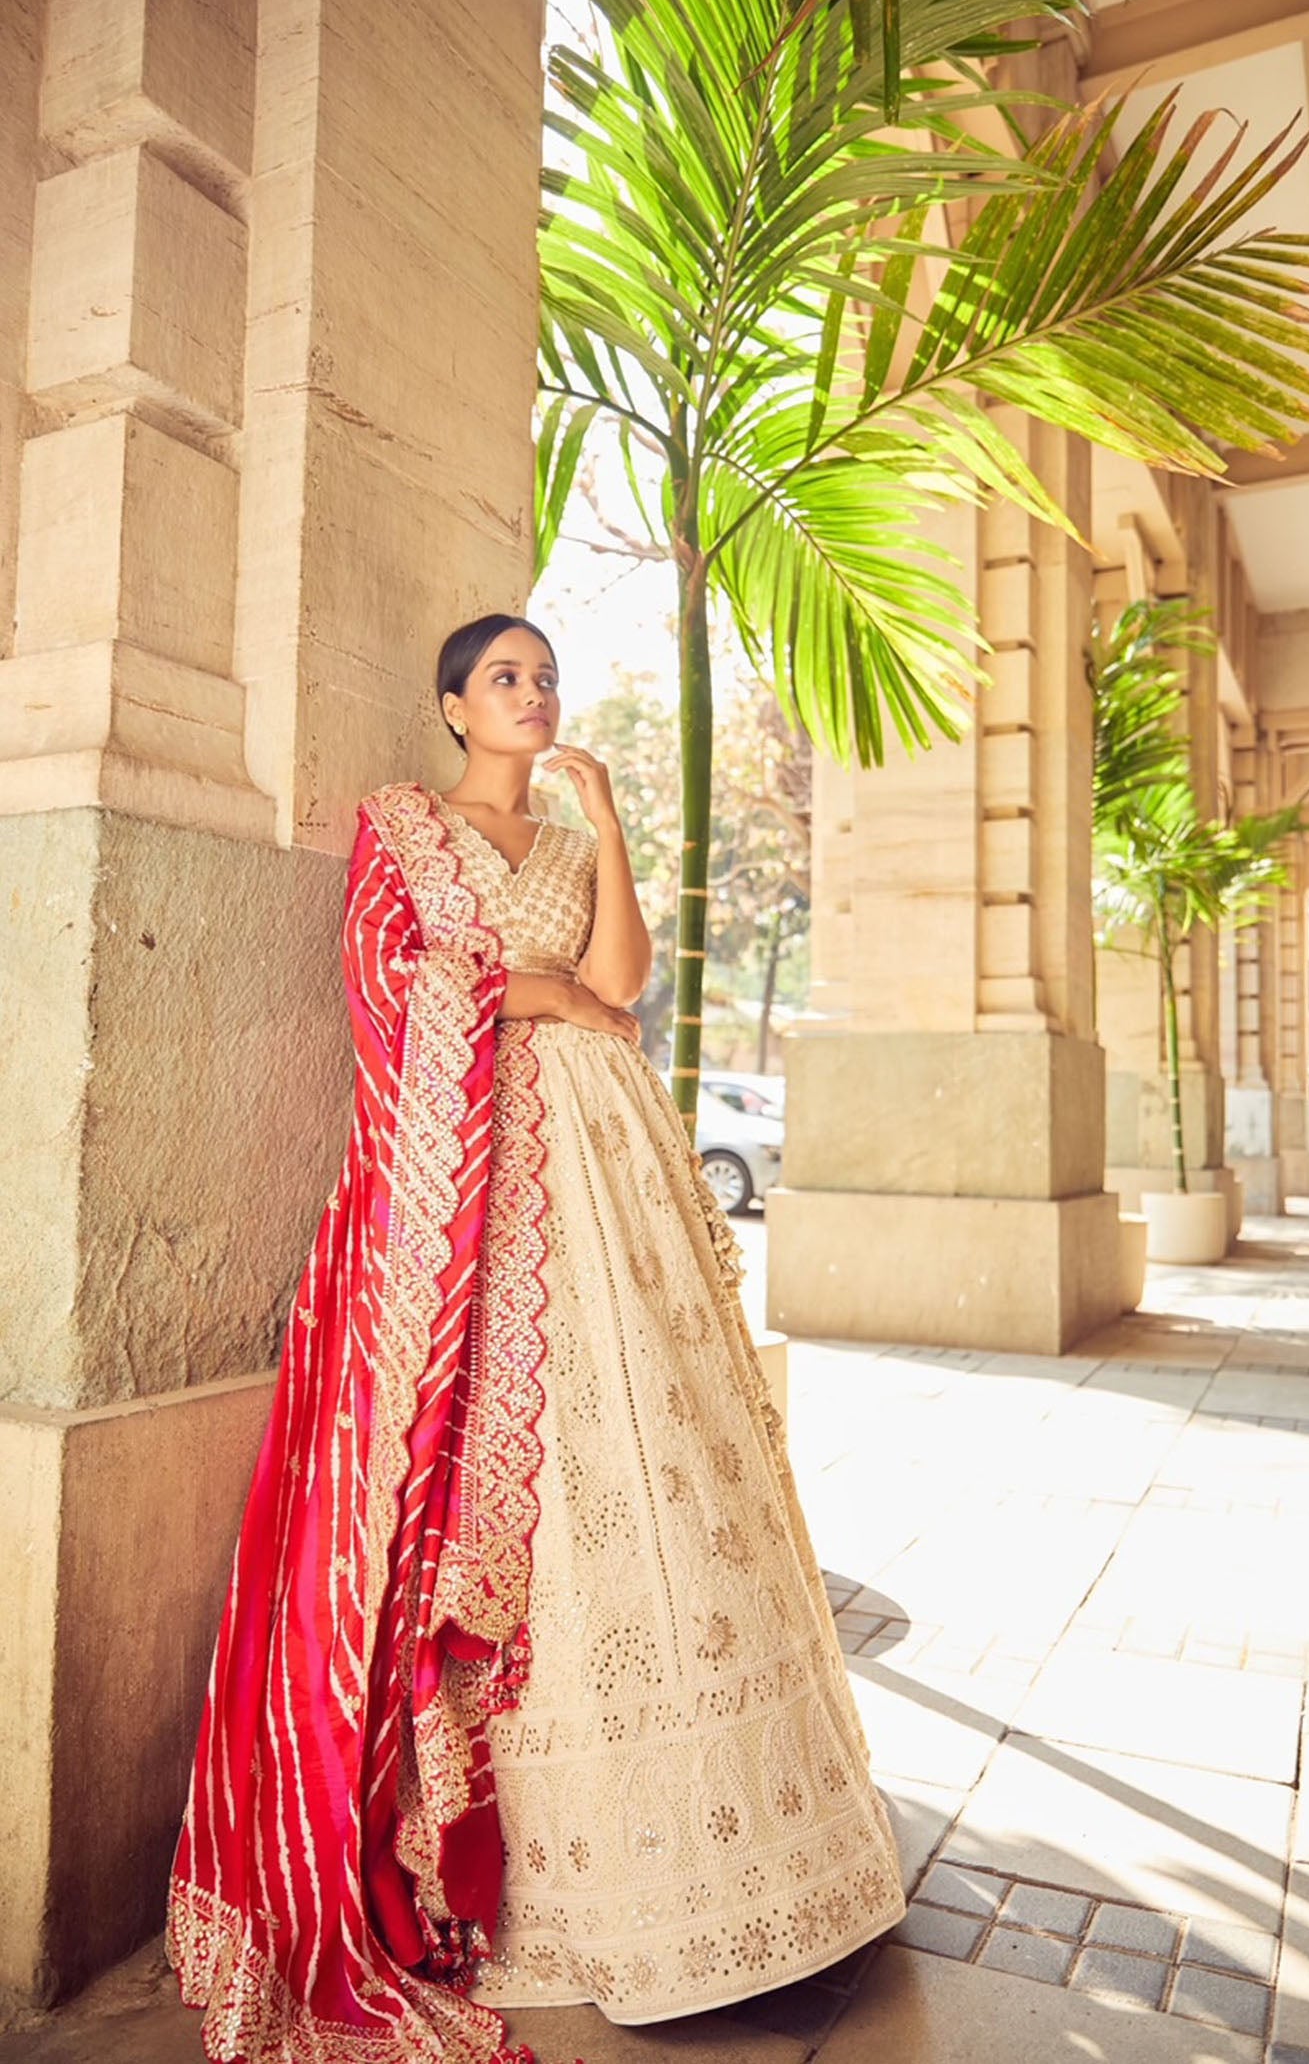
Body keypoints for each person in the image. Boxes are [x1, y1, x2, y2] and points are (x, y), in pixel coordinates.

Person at [167, 614, 905, 2064]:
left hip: (600, 1182)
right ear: (451, 706)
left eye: (547, 676)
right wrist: (548, 994)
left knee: (657, 1456)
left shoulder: (566, 846)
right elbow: (388, 997)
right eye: (507, 676)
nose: (534, 693)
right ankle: (536, 1864)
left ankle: (726, 1873)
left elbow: (624, 983)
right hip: (463, 1189)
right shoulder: (402, 826)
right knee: (542, 1477)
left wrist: (613, 830)